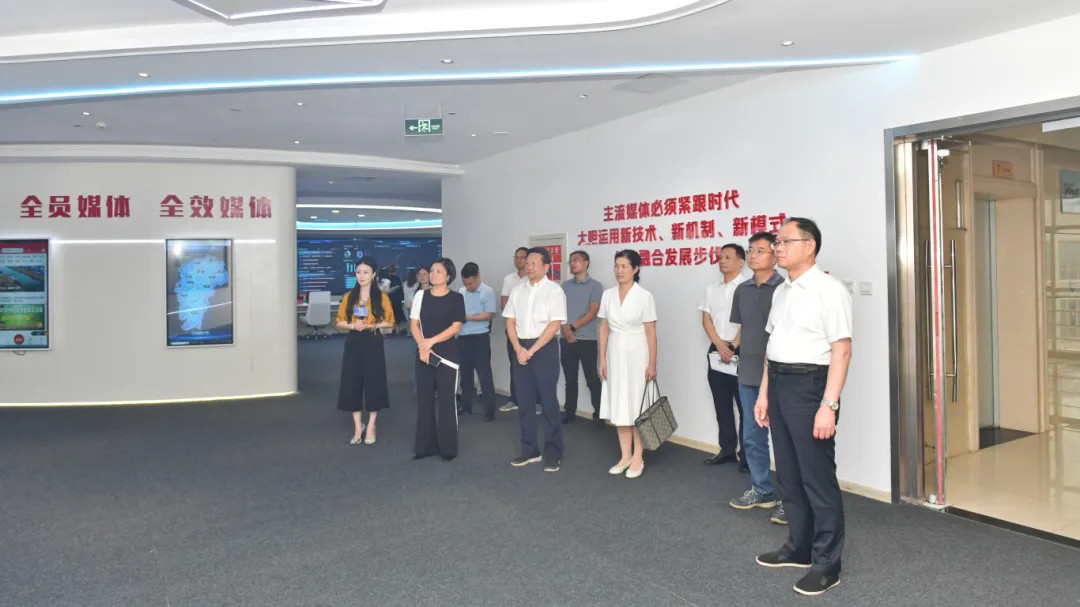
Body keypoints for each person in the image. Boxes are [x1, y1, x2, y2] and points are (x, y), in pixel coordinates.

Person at [753, 218, 852, 597]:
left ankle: (827, 564)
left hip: (811, 387)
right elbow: (772, 348)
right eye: (776, 242)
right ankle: (799, 548)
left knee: (817, 477)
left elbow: (842, 350)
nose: (777, 248)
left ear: (809, 246)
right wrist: (764, 394)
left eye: (784, 241)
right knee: (789, 474)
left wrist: (829, 405)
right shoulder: (782, 290)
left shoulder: (829, 290)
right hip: (779, 384)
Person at [727, 233, 787, 525]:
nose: (753, 255)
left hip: (778, 375)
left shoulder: (784, 289)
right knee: (752, 436)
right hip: (748, 373)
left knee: (785, 441)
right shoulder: (742, 289)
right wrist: (730, 348)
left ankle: (790, 500)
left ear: (775, 255)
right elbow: (745, 328)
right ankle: (763, 490)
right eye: (750, 250)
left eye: (760, 250)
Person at [503, 247, 567, 472]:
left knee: (548, 402)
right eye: (527, 262)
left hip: (544, 348)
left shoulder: (554, 291)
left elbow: (555, 324)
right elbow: (509, 320)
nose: (528, 266)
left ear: (546, 266)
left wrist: (532, 350)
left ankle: (554, 452)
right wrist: (518, 348)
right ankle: (530, 450)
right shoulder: (517, 290)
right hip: (521, 347)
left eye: (533, 263)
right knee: (524, 402)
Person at [598, 250, 657, 479]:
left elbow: (651, 332)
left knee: (636, 406)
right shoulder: (608, 295)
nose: (619, 270)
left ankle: (638, 457)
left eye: (624, 266)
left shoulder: (644, 296)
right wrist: (602, 358)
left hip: (637, 354)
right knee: (619, 404)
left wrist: (652, 364)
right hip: (614, 352)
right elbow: (604, 328)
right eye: (616, 266)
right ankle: (625, 456)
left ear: (635, 269)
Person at [334, 257, 395, 445]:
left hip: (372, 341)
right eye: (358, 272)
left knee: (373, 382)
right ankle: (357, 427)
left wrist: (372, 325)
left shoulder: (381, 297)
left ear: (373, 274)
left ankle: (371, 426)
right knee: (352, 383)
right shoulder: (349, 297)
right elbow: (339, 322)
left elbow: (390, 322)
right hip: (354, 342)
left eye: (366, 272)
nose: (361, 276)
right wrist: (353, 325)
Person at [410, 258, 466, 462]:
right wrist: (422, 346)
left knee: (446, 401)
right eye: (432, 270)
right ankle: (424, 447)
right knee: (424, 401)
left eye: (438, 271)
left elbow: (456, 327)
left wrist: (430, 342)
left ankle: (447, 449)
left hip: (446, 356)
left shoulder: (456, 298)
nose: (433, 274)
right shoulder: (420, 295)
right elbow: (414, 324)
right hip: (423, 355)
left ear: (448, 276)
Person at [699, 243, 748, 471]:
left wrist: (734, 344)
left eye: (728, 257)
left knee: (745, 406)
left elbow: (750, 320)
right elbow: (706, 319)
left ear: (741, 262)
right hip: (717, 349)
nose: (722, 261)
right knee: (722, 403)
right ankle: (727, 450)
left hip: (741, 349)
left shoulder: (748, 287)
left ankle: (746, 457)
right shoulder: (712, 288)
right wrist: (719, 344)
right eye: (720, 257)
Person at [560, 250, 603, 424]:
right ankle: (569, 412)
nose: (572, 263)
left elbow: (593, 312)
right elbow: (558, 311)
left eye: (576, 260)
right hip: (566, 339)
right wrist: (566, 330)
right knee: (570, 380)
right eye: (570, 261)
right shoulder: (564, 286)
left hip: (587, 340)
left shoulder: (595, 286)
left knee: (592, 379)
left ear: (586, 263)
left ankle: (599, 415)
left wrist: (572, 328)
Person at [458, 262, 498, 420]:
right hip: (463, 338)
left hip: (480, 339)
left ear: (478, 277)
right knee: (465, 375)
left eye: (471, 283)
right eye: (465, 283)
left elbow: (488, 314)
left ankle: (490, 410)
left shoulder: (488, 292)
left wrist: (466, 317)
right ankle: (466, 405)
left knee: (484, 375)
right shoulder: (461, 291)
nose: (468, 287)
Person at [498, 247, 530, 413]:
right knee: (515, 365)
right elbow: (504, 303)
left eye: (522, 257)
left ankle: (536, 401)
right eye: (516, 257)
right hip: (513, 330)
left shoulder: (533, 278)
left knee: (534, 367)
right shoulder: (509, 279)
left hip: (531, 331)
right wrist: (513, 322)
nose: (519, 260)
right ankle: (514, 399)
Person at [385, 263, 405, 334]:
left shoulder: (386, 279)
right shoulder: (397, 278)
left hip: (388, 299)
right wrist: (402, 299)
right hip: (396, 299)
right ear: (395, 270)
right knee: (397, 314)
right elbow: (400, 289)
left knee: (389, 314)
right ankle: (397, 330)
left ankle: (389, 330)